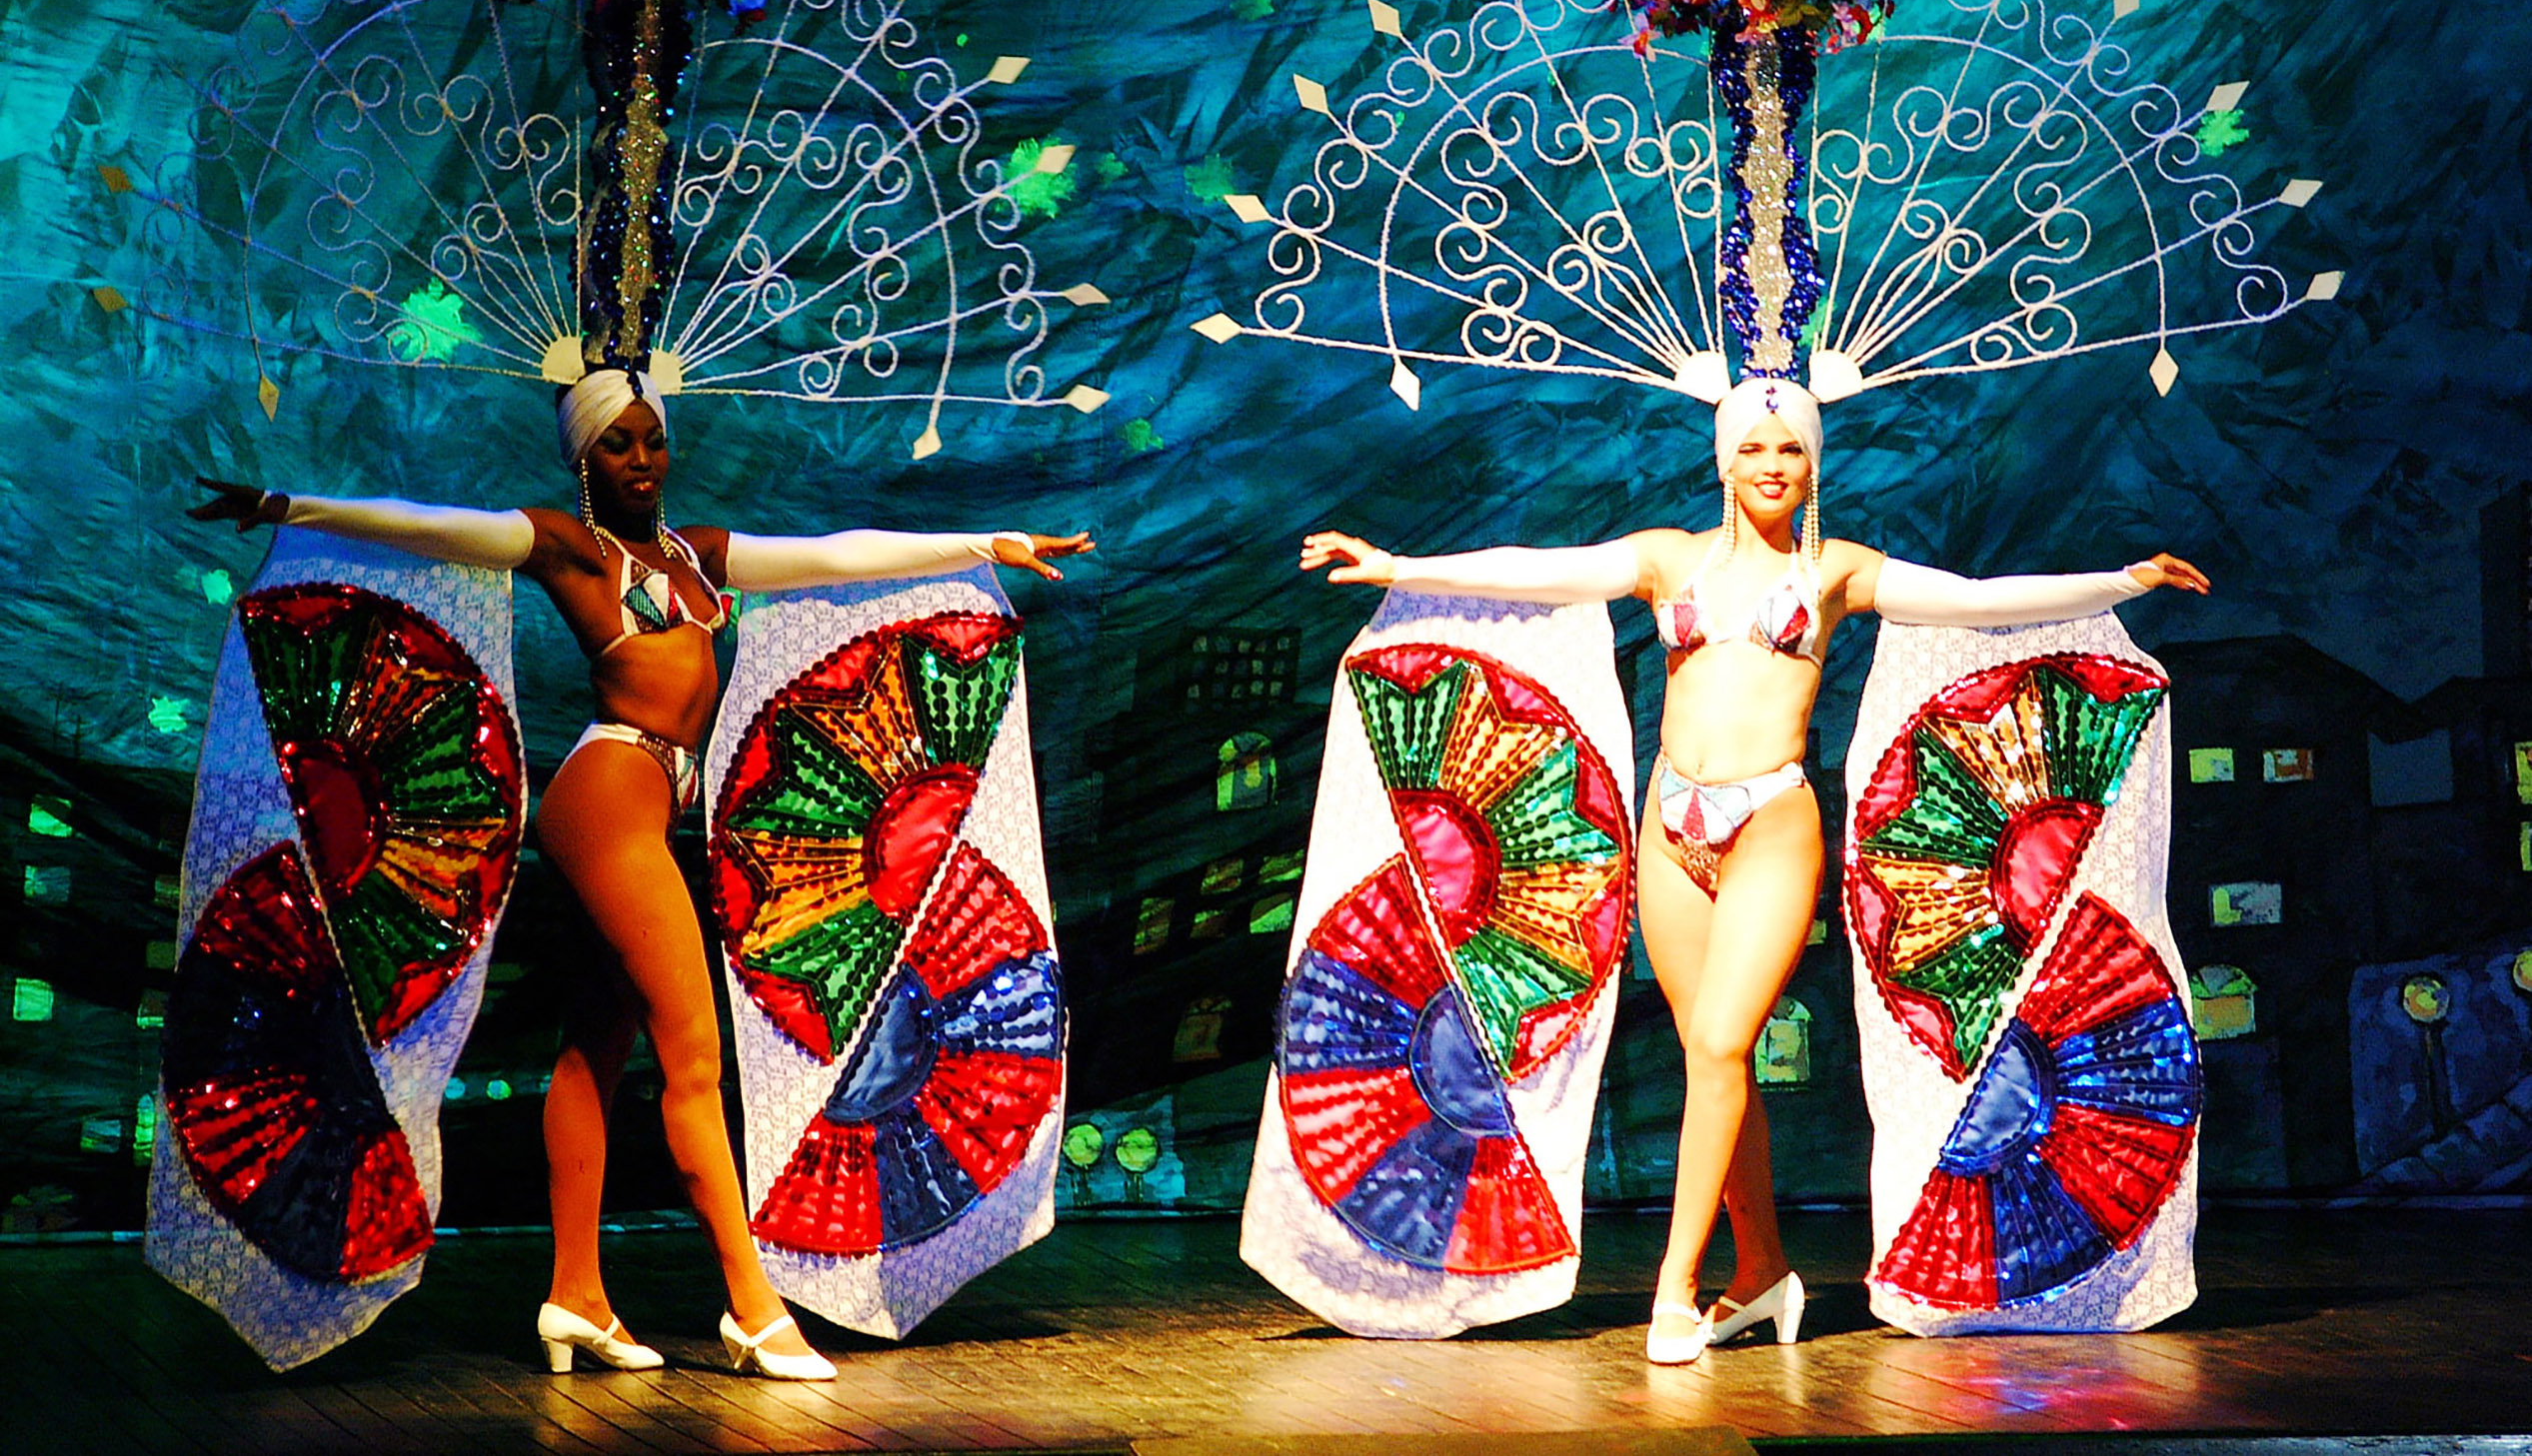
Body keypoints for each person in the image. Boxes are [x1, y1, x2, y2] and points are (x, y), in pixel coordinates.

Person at [191, 366, 1094, 1379]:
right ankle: (752, 1308)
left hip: (653, 806)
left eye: (651, 440)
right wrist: (288, 506)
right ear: (584, 459)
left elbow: (833, 556)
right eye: (616, 444)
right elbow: (438, 528)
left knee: (593, 1050)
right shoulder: (572, 547)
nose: (640, 460)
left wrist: (986, 545)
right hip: (607, 800)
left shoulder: (696, 557)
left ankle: (574, 1295)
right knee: (694, 1054)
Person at [1298, 375, 2207, 1365]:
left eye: (1791, 452)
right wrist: (1395, 560)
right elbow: (1539, 571)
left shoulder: (1836, 572)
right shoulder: (1665, 559)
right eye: (1755, 449)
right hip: (1670, 826)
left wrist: (2122, 579)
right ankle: (1763, 1272)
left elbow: (1979, 602)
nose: (1772, 466)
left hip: (1770, 822)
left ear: (1811, 466)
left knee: (1724, 1047)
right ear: (1722, 459)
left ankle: (1675, 1286)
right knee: (1709, 1059)